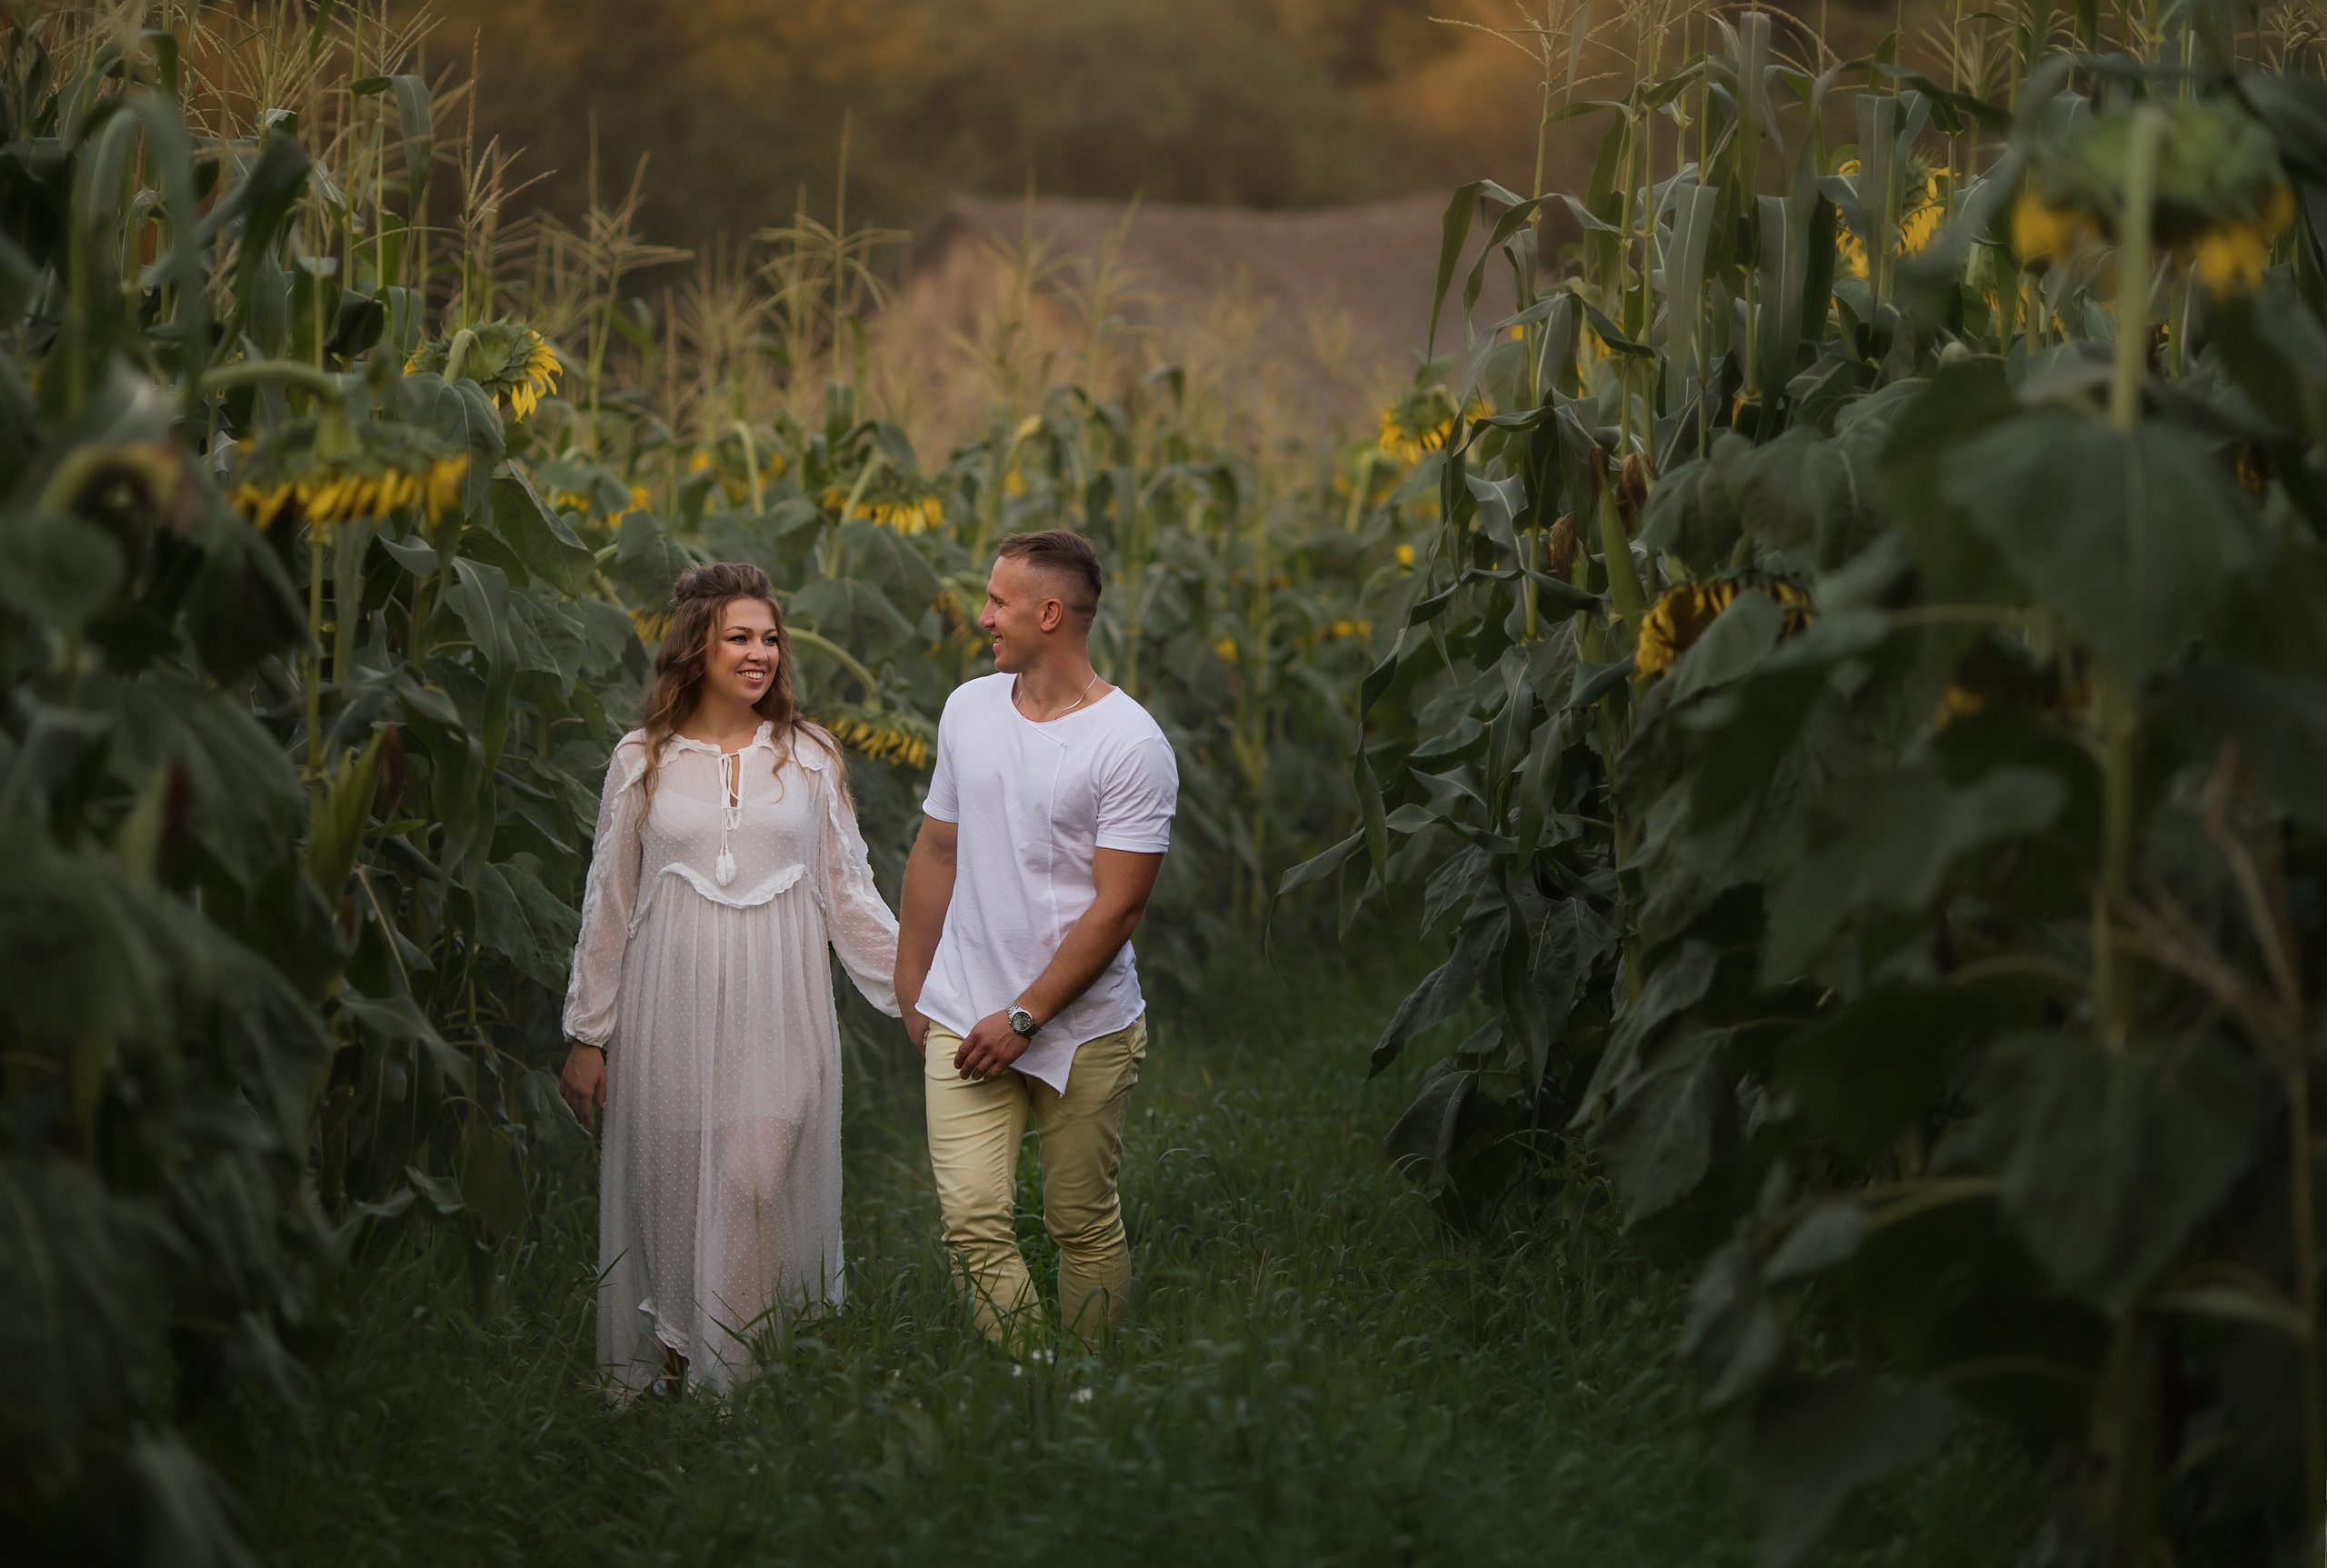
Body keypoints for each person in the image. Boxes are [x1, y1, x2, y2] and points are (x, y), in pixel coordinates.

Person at [559, 563, 900, 1397]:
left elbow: (849, 894)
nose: (761, 654)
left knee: (752, 1183)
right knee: (676, 1199)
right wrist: (587, 1035)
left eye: (770, 638)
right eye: (740, 637)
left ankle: (734, 1400)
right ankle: (684, 1370)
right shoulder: (640, 760)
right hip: (669, 1013)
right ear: (695, 647)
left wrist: (925, 994)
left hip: (779, 1013)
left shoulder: (808, 756)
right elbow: (610, 900)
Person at [894, 529, 1178, 1348]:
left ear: (1049, 614)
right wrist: (913, 984)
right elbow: (937, 849)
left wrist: (1024, 1017)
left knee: (1080, 1221)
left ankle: (1090, 1386)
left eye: (997, 602)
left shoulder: (1130, 744)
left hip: (1082, 1024)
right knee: (972, 1220)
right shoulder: (968, 709)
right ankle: (1033, 1383)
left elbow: (1119, 907)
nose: (982, 616)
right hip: (964, 1011)